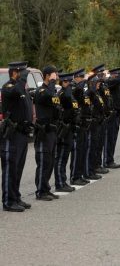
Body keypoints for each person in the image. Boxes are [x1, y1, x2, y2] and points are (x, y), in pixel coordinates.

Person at [1, 61, 33, 212]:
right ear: (15, 73)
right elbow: (15, 91)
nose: (25, 76)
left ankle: (16, 196)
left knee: (18, 167)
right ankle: (8, 200)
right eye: (23, 72)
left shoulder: (21, 88)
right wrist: (22, 80)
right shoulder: (8, 87)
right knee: (10, 168)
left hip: (22, 132)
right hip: (11, 134)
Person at [34, 65, 60, 200]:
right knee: (44, 161)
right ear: (47, 76)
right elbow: (49, 96)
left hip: (52, 130)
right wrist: (52, 83)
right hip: (44, 131)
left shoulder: (51, 90)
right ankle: (40, 191)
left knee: (50, 161)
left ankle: (46, 188)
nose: (56, 77)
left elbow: (56, 104)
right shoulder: (42, 91)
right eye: (53, 75)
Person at [54, 72, 77, 192]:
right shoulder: (63, 94)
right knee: (61, 157)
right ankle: (59, 183)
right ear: (63, 82)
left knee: (65, 157)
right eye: (68, 82)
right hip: (64, 129)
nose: (70, 84)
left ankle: (63, 181)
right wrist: (67, 88)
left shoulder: (69, 93)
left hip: (70, 128)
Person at [71, 69, 92, 185]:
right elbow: (77, 91)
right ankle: (75, 176)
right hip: (78, 124)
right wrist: (85, 80)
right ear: (77, 77)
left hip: (84, 123)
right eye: (82, 77)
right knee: (77, 151)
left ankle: (80, 174)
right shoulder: (74, 87)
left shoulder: (82, 89)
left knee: (83, 150)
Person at [105, 67, 120, 168]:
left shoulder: (117, 83)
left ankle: (110, 159)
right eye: (117, 74)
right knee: (109, 138)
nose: (119, 76)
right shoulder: (111, 82)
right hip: (112, 115)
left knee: (113, 138)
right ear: (113, 75)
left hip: (117, 114)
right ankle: (107, 161)